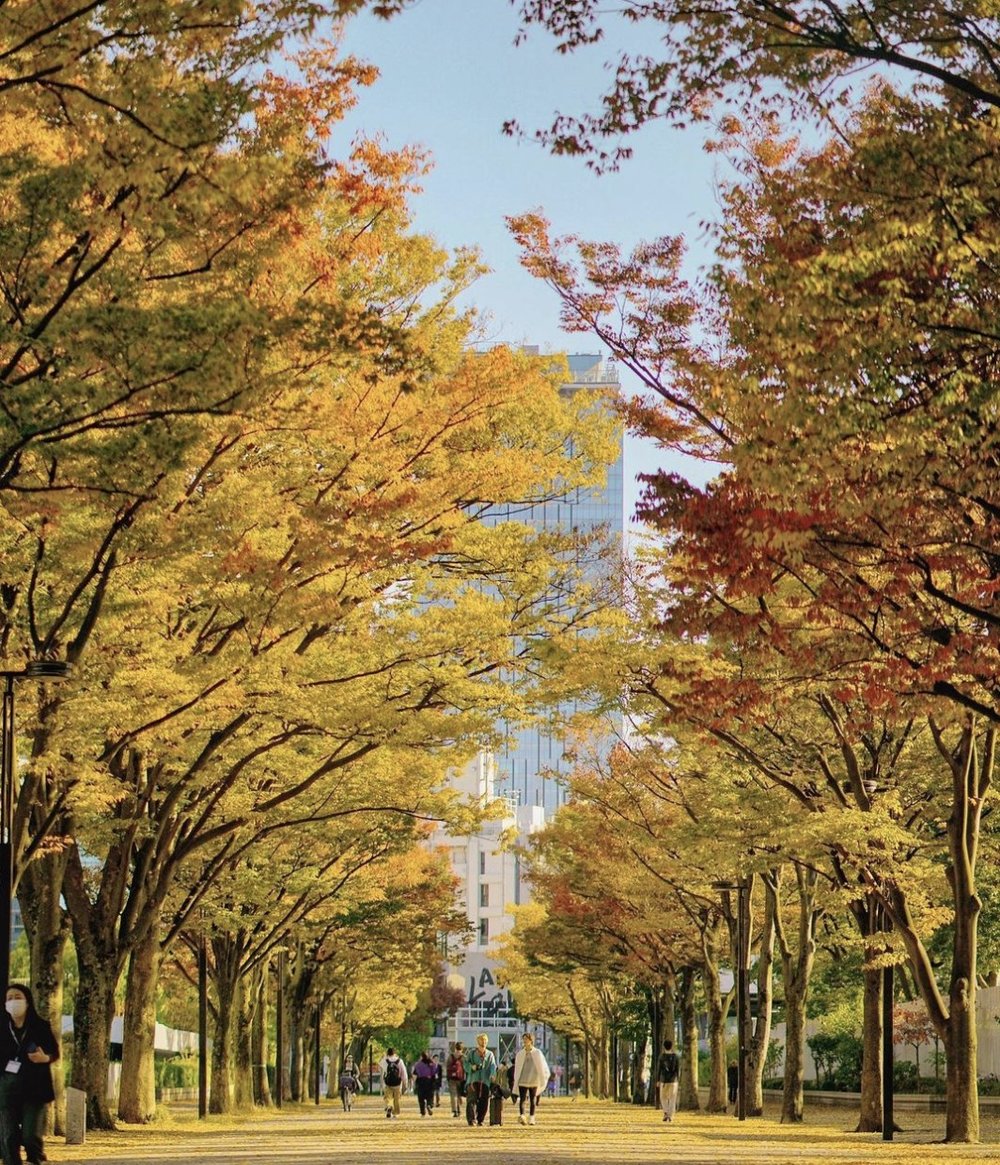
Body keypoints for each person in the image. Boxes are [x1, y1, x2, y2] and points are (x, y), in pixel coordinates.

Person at [0, 984, 59, 1165]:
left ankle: (36, 1159)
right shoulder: (2, 1028)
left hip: (34, 1089)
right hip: (7, 1089)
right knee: (8, 1138)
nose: (13, 1002)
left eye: (17, 997)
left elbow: (55, 1053)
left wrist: (44, 1058)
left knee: (30, 1137)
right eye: (9, 998)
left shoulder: (40, 1026)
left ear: (27, 1001)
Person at [513, 1032, 550, 1127]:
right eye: (523, 1039)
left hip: (534, 1079)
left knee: (533, 1099)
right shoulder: (520, 1054)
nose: (524, 1041)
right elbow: (517, 1068)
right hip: (522, 1079)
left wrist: (543, 1077)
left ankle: (532, 1117)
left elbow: (542, 1066)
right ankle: (522, 1116)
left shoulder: (537, 1053)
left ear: (531, 1040)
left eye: (526, 1039)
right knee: (522, 1099)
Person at [463, 1032, 497, 1127]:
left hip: (485, 1081)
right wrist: (472, 1067)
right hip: (473, 1081)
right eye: (481, 1040)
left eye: (485, 1040)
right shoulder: (472, 1053)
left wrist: (493, 1075)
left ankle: (480, 1120)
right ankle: (471, 1120)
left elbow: (493, 1066)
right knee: (471, 1101)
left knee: (484, 1101)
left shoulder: (490, 1054)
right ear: (478, 1042)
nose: (483, 1042)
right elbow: (465, 1064)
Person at [379, 1046, 408, 1119]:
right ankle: (395, 1113)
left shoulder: (385, 1060)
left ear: (387, 1053)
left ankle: (389, 1107)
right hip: (397, 1083)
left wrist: (382, 1083)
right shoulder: (399, 1061)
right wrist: (405, 1083)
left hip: (388, 1083)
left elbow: (381, 1071)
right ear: (395, 1053)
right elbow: (403, 1073)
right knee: (396, 1099)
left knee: (388, 1097)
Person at [656, 1039, 680, 1123]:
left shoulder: (661, 1057)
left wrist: (658, 1080)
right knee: (673, 1098)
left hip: (664, 1080)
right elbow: (678, 1069)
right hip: (674, 1080)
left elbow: (659, 1069)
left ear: (664, 1047)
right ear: (671, 1046)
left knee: (663, 1097)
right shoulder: (676, 1057)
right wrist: (678, 1079)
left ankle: (665, 1112)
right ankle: (670, 1115)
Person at [410, 1050, 437, 1117]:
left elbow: (414, 1074)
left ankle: (423, 1112)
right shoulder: (432, 1064)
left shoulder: (418, 1064)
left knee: (421, 1098)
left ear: (421, 1057)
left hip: (421, 1082)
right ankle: (429, 1105)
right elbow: (435, 1074)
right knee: (430, 1096)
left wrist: (413, 1083)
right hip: (430, 1082)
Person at [445, 1041, 466, 1117]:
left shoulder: (451, 1056)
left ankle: (455, 1110)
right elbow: (466, 1068)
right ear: (462, 1049)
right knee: (459, 1094)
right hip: (461, 1079)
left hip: (452, 1079)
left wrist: (448, 1076)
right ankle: (459, 1109)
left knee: (453, 1095)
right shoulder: (463, 1057)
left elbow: (447, 1066)